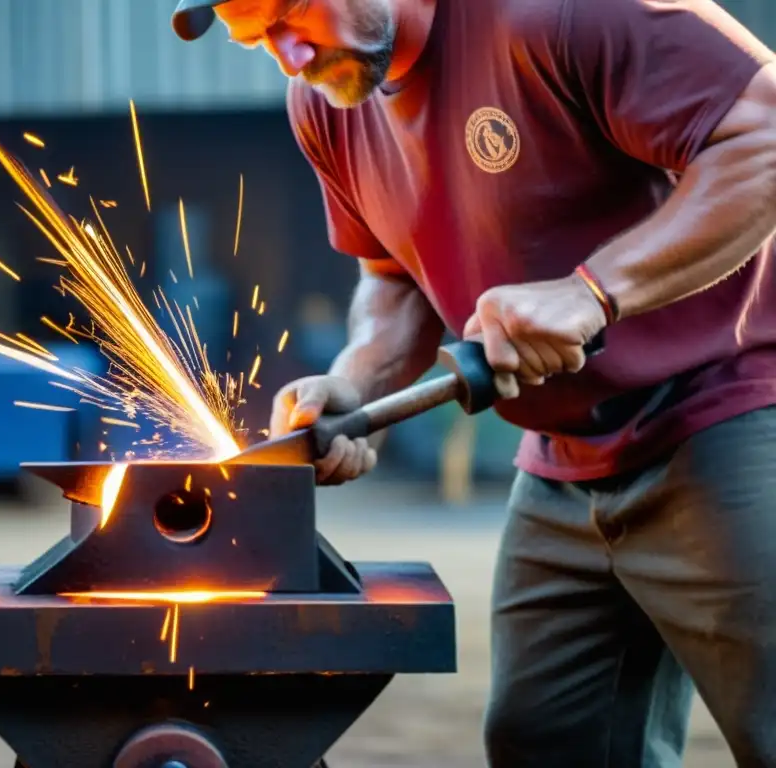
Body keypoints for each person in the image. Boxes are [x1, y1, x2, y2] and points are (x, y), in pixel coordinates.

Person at [172, 0, 776, 765]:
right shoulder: (328, 104)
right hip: (564, 461)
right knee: (545, 743)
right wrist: (356, 384)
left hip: (735, 410)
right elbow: (394, 276)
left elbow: (764, 138)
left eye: (292, 15)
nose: (290, 57)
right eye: (258, 39)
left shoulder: (555, 15)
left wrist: (590, 292)